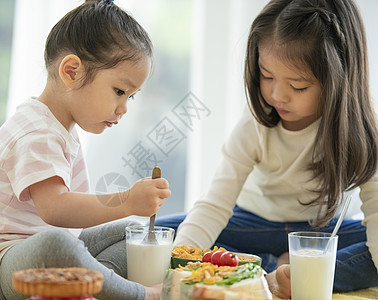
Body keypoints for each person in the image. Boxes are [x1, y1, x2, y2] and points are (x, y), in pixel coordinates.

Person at [155, 0, 378, 298]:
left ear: (339, 80)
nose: (277, 95)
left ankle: (282, 272)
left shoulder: (360, 133)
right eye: (267, 76)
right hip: (250, 225)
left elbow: (376, 214)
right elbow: (215, 205)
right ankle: (284, 270)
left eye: (298, 86)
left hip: (316, 235)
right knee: (160, 232)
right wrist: (180, 265)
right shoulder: (255, 126)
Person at [0, 1, 171, 299]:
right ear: (71, 72)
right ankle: (139, 294)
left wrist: (130, 208)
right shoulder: (35, 130)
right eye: (120, 91)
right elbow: (56, 209)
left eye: (130, 97)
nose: (122, 109)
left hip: (38, 255)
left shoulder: (60, 127)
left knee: (128, 233)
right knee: (58, 245)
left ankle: (95, 289)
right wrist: (127, 200)